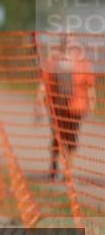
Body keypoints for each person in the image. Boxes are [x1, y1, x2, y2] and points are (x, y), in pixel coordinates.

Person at [38, 38, 96, 181]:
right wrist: (39, 103)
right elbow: (43, 84)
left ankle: (68, 174)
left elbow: (89, 86)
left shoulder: (83, 63)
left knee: (71, 140)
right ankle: (53, 169)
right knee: (57, 138)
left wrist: (92, 105)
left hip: (75, 107)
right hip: (57, 107)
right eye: (65, 41)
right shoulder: (53, 61)